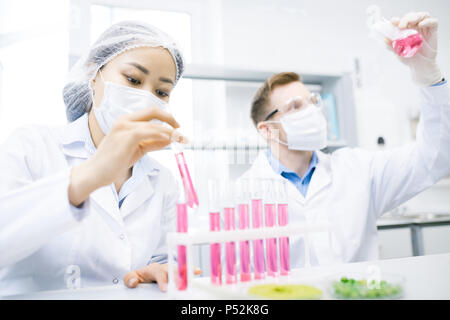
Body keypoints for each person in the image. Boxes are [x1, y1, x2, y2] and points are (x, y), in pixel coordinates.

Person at [0, 21, 199, 296]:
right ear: (93, 74)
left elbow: (161, 259)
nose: (145, 98)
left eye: (161, 92)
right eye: (132, 79)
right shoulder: (32, 146)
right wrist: (90, 175)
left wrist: (158, 270)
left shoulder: (161, 180)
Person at [240, 12, 449, 268]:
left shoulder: (358, 170)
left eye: (312, 101)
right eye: (295, 106)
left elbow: (437, 156)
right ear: (267, 130)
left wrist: (428, 75)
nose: (311, 111)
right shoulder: (244, 193)